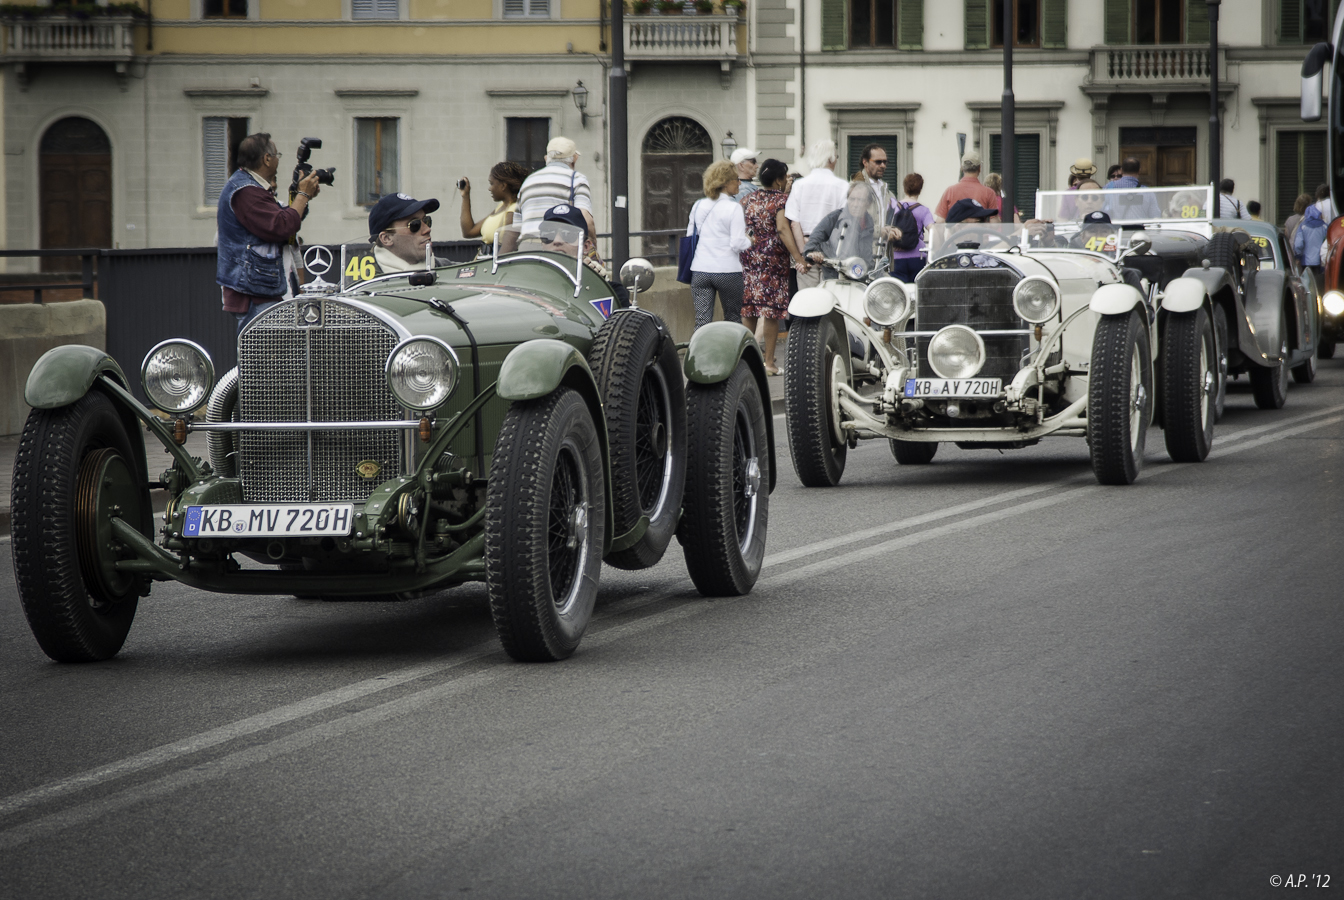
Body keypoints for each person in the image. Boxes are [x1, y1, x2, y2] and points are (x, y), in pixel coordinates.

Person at [217, 132, 321, 333]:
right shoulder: (246, 192)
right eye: (277, 154)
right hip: (255, 294)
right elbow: (282, 226)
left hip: (260, 290)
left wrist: (303, 198)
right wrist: (302, 194)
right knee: (261, 358)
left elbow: (286, 216)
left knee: (272, 356)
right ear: (266, 158)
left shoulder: (251, 188)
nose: (277, 159)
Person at [741, 159, 805, 375]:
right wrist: (798, 257)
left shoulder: (747, 199)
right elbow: (782, 230)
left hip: (750, 259)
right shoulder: (781, 200)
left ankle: (745, 361)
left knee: (750, 308)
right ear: (778, 180)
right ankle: (768, 363)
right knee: (771, 312)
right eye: (784, 177)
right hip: (773, 261)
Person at [687, 159, 750, 328]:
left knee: (702, 321)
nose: (739, 183)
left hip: (700, 270)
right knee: (733, 320)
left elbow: (690, 235)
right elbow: (737, 243)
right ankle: (730, 354)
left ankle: (698, 353)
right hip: (727, 271)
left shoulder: (698, 205)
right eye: (736, 179)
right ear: (726, 183)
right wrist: (749, 241)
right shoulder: (734, 208)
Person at [785, 140, 849, 289]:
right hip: (832, 250)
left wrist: (804, 253)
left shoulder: (799, 185)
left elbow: (794, 222)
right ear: (831, 158)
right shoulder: (842, 186)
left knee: (808, 302)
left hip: (806, 244)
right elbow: (844, 222)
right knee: (832, 301)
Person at [803, 182, 902, 279]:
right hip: (835, 278)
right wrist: (813, 253)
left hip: (861, 277)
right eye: (852, 199)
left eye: (860, 200)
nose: (855, 204)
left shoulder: (869, 221)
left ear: (868, 203)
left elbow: (867, 249)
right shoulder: (835, 218)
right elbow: (814, 238)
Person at [516, 136, 597, 237]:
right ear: (575, 159)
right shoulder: (577, 179)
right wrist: (592, 246)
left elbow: (516, 226)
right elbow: (586, 220)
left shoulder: (528, 181)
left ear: (546, 158)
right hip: (558, 245)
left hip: (527, 246)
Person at [366, 192, 442, 274]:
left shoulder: (448, 269)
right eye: (415, 224)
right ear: (386, 238)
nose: (427, 229)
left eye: (426, 221)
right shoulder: (364, 281)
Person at [459, 161, 528, 246]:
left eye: (492, 183)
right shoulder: (501, 207)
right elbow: (468, 231)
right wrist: (465, 196)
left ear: (503, 186)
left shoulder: (513, 209)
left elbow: (508, 244)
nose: (489, 188)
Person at [890, 172, 934, 283]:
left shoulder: (892, 207)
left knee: (899, 292)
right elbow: (932, 230)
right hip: (918, 256)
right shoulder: (924, 210)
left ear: (904, 187)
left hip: (896, 257)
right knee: (917, 290)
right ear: (920, 189)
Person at [934, 151, 1000, 222]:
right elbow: (994, 224)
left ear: (962, 168)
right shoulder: (989, 193)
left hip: (956, 233)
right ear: (979, 168)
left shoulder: (950, 191)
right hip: (979, 232)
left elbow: (940, 222)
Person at [1295, 201, 1327, 282]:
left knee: (1308, 283)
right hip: (1320, 261)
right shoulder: (1324, 226)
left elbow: (1298, 244)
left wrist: (1298, 256)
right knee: (1319, 283)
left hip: (1305, 261)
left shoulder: (1303, 226)